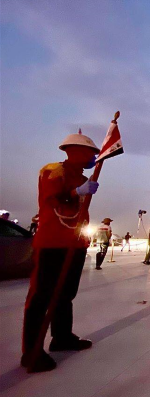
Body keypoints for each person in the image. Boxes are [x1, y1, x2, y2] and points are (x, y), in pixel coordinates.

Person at [22, 129, 100, 373]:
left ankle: (62, 336)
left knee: (66, 293)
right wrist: (76, 193)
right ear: (76, 151)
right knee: (41, 296)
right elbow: (51, 200)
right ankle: (31, 351)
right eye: (91, 153)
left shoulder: (81, 178)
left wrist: (80, 191)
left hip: (74, 243)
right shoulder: (52, 171)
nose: (94, 158)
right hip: (52, 242)